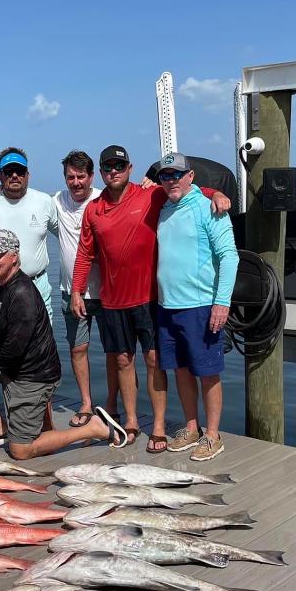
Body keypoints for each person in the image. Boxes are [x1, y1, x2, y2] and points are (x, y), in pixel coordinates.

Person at [71, 145, 229, 453]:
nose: (113, 172)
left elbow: (184, 188)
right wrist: (77, 291)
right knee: (122, 360)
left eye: (119, 166)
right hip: (112, 300)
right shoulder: (93, 208)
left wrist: (215, 194)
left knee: (155, 360)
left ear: (130, 168)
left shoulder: (151, 195)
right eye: (108, 168)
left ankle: (158, 426)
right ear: (101, 173)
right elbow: (85, 253)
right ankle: (131, 421)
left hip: (150, 298)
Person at [0, 229, 128, 459]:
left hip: (33, 374)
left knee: (21, 451)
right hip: (6, 362)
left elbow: (14, 353)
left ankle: (93, 428)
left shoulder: (23, 294)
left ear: (14, 257)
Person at [154, 153, 238, 460]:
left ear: (191, 176)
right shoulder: (163, 208)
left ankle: (213, 435)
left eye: (177, 174)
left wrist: (222, 302)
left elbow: (230, 256)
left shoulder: (209, 208)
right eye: (166, 176)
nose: (172, 180)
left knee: (208, 372)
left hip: (201, 304)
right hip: (167, 306)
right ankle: (192, 428)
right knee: (181, 370)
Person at [54, 150, 119, 427]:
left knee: (115, 351)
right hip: (72, 292)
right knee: (77, 349)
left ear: (92, 176)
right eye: (71, 177)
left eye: (81, 176)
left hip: (107, 293)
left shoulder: (105, 200)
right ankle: (85, 403)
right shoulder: (56, 201)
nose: (76, 182)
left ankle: (114, 404)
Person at [0, 148, 58, 321]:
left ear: (28, 175)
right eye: (8, 171)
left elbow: (66, 236)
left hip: (38, 284)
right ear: (0, 176)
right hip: (0, 286)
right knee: (0, 342)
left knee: (42, 343)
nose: (14, 175)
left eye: (20, 171)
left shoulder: (45, 201)